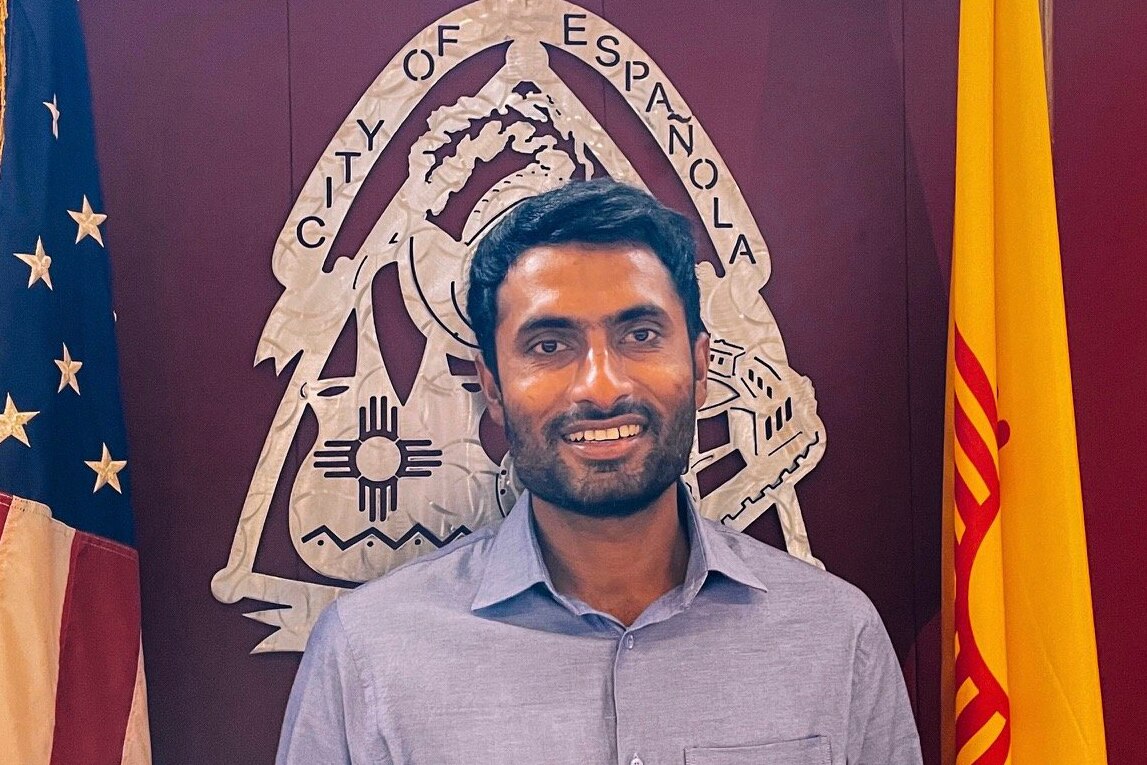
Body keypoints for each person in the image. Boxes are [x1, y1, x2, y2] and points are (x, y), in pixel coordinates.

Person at [276, 179, 923, 764]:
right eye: (549, 345)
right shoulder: (369, 654)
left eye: (639, 334)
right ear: (492, 387)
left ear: (699, 365)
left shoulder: (836, 638)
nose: (601, 385)